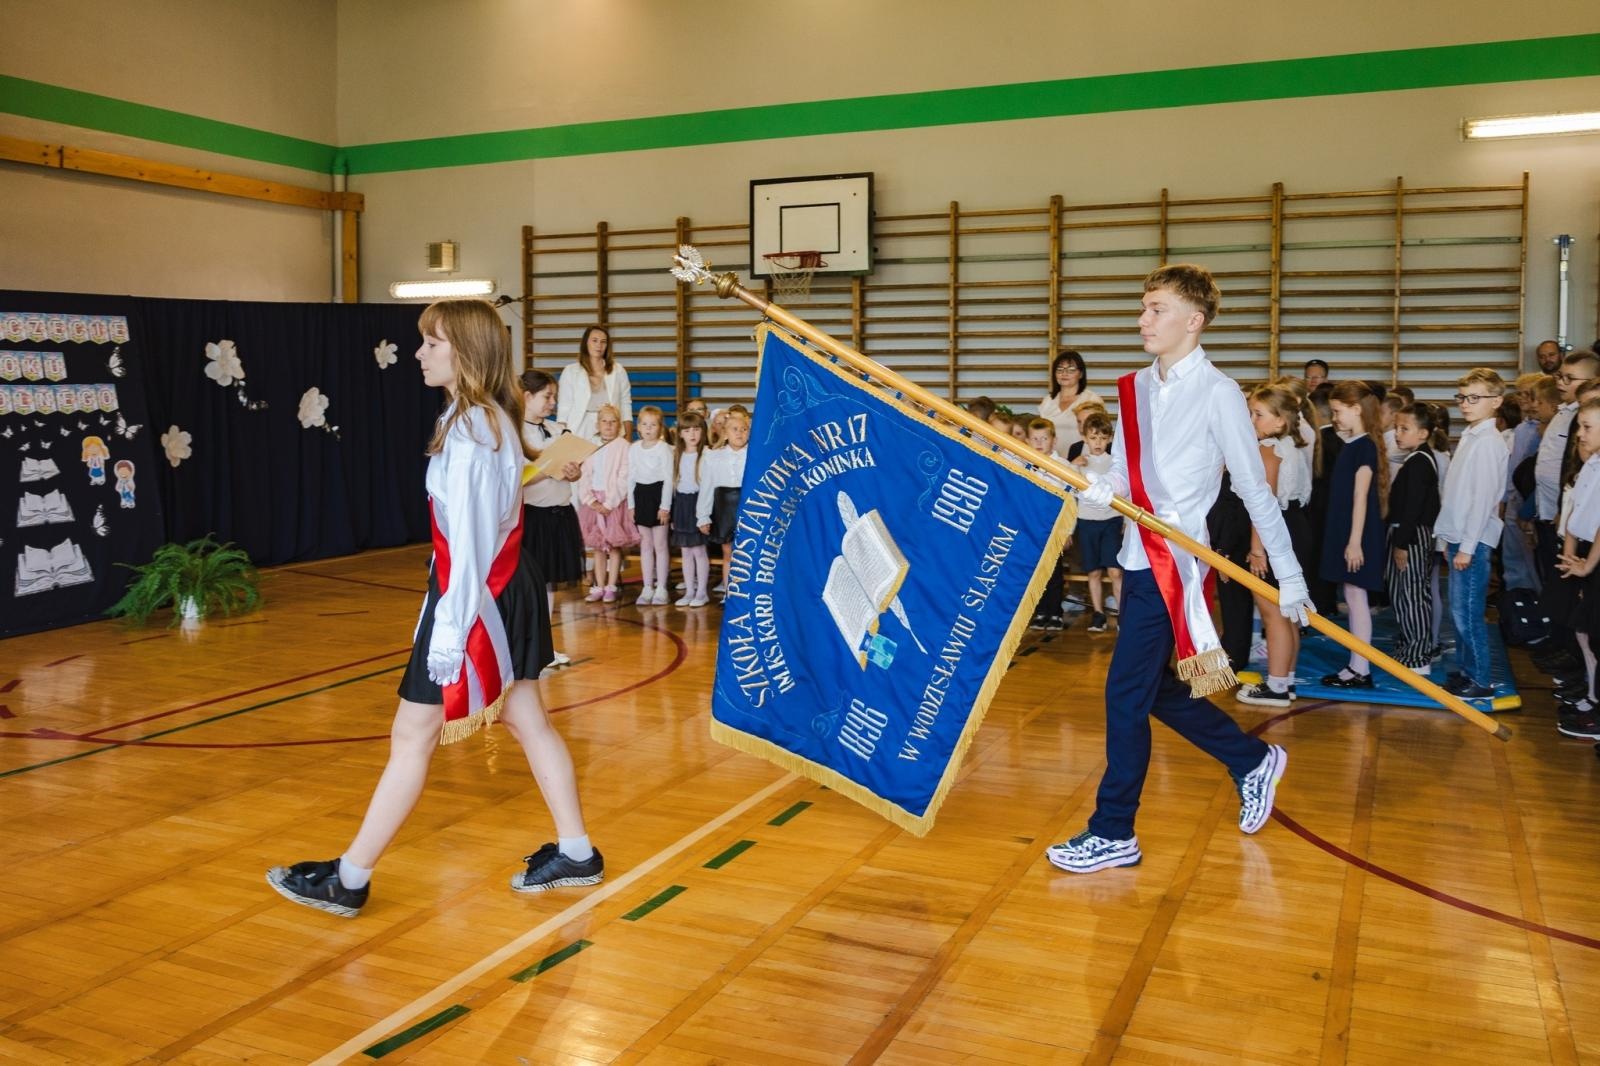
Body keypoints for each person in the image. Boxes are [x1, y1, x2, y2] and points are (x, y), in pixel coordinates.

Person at [267, 299, 602, 917]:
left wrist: (448, 632)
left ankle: (350, 877)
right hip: (499, 586)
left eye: (432, 343)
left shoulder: (475, 429)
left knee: (411, 732)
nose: (420, 353)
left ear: (466, 352)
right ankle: (576, 851)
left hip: (478, 596)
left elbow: (470, 544)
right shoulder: (481, 418)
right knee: (527, 718)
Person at [1046, 264, 1309, 875]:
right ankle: (1249, 759)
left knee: (1124, 694)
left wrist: (1288, 575)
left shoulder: (1218, 392)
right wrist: (1088, 485)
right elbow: (1123, 477)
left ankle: (1113, 829)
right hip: (1138, 554)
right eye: (1143, 307)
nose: (1143, 319)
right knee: (1148, 689)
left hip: (1179, 565)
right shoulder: (1135, 387)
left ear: (1194, 320)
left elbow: (1252, 488)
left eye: (1156, 308)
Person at [1433, 370, 1510, 698]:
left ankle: (1480, 679)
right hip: (1459, 536)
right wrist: (1446, 538)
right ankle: (1466, 671)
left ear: (1496, 402)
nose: (1465, 404)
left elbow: (1483, 501)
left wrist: (1466, 547)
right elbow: (1456, 493)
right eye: (1462, 397)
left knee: (1468, 614)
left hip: (1473, 540)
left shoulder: (1490, 443)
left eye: (1474, 398)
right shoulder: (1472, 435)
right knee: (1459, 612)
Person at [1235, 385, 1312, 707]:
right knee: (1288, 613)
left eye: (1258, 414)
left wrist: (1257, 549)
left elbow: (1262, 505)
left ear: (1280, 421)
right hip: (1294, 527)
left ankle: (1278, 686)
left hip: (1273, 534)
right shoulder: (1288, 446)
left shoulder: (1269, 450)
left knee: (1274, 614)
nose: (1251, 419)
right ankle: (1285, 680)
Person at [1318, 380, 1388, 689]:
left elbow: (1361, 497)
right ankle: (1356, 664)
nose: (1335, 417)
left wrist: (1355, 541)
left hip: (1356, 532)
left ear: (1356, 409)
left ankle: (1361, 667)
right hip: (1347, 529)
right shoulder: (1355, 443)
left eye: (1338, 411)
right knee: (1352, 595)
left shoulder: (1365, 447)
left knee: (1357, 597)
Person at [519, 370, 585, 668]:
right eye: (547, 396)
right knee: (530, 585)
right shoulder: (515, 433)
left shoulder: (557, 430)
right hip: (534, 518)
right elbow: (518, 478)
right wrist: (549, 465)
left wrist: (574, 471)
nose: (552, 402)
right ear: (527, 396)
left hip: (559, 514)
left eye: (554, 396)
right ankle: (526, 647)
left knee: (548, 586)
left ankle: (544, 648)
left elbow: (573, 468)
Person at [1385, 402, 1443, 675]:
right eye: (1396, 427)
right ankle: (1411, 645)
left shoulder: (1420, 462)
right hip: (1406, 532)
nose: (1398, 433)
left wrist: (1402, 544)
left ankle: (1419, 655)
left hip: (1412, 535)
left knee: (1412, 594)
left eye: (1404, 428)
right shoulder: (1415, 458)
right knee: (1403, 594)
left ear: (1423, 433)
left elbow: (1413, 507)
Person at [1554, 397, 1600, 738]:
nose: (1579, 434)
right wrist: (1571, 556)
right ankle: (1592, 695)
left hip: (1594, 559)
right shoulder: (1592, 464)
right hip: (1584, 554)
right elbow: (1577, 511)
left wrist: (1588, 566)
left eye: (1587, 427)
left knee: (1594, 635)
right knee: (1584, 633)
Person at [576, 404, 638, 603]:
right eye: (605, 421)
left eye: (613, 422)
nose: (608, 425)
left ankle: (611, 585)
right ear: (598, 424)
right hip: (593, 502)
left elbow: (624, 476)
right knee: (597, 547)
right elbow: (583, 474)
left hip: (614, 502)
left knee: (613, 545)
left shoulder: (623, 446)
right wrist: (590, 500)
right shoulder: (590, 445)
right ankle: (598, 585)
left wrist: (610, 502)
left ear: (619, 425)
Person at [1071, 411, 1122, 633]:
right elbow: (1069, 490)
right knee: (1093, 572)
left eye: (1102, 437)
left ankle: (1122, 614)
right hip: (1086, 521)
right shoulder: (1080, 463)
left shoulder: (1115, 462)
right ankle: (1098, 613)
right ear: (1085, 438)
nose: (1098, 442)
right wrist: (1073, 466)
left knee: (1115, 571)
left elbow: (1123, 492)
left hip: (1110, 520)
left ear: (1110, 438)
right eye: (1093, 437)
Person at [699, 405, 749, 598]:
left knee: (746, 554)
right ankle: (730, 594)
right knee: (728, 553)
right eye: (735, 429)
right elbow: (706, 488)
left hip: (746, 508)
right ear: (725, 433)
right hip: (724, 508)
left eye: (744, 429)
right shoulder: (713, 457)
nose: (740, 433)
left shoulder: (754, 456)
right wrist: (703, 515)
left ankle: (745, 594)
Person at [1025, 418, 1069, 630]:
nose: (1039, 443)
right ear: (1027, 440)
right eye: (1035, 438)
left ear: (1054, 440)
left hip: (1054, 527)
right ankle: (1040, 611)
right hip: (1031, 528)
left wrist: (1068, 530)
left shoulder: (1063, 467)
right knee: (1034, 573)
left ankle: (1055, 612)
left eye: (1044, 438)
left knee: (1054, 573)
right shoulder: (1024, 464)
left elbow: (1072, 501)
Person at [628, 405, 673, 605]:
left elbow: (669, 479)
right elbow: (630, 477)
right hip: (641, 495)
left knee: (660, 545)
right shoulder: (634, 448)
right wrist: (631, 505)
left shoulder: (663, 449)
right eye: (644, 424)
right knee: (645, 545)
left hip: (658, 494)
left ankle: (661, 587)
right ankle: (647, 586)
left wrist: (665, 506)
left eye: (653, 424)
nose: (648, 428)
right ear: (638, 427)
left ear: (660, 428)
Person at [558, 325, 633, 442]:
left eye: (603, 342)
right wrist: (562, 439)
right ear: (586, 343)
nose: (599, 345)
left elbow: (625, 405)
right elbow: (563, 409)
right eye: (594, 340)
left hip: (610, 429)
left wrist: (628, 437)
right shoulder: (570, 371)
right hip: (579, 430)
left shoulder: (618, 370)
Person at [670, 411, 710, 607]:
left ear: (703, 432)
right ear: (680, 433)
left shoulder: (707, 454)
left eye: (696, 429)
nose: (692, 434)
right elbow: (674, 486)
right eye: (687, 430)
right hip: (682, 505)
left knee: (699, 551)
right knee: (685, 551)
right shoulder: (676, 454)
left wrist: (705, 515)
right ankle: (689, 590)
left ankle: (702, 592)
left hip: (699, 503)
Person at [1037, 350, 1104, 457]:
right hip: (1051, 463)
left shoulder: (1092, 399)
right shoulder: (1047, 401)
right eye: (1059, 369)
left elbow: (1101, 434)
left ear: (1081, 373)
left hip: (1083, 462)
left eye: (1071, 369)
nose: (1064, 373)